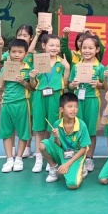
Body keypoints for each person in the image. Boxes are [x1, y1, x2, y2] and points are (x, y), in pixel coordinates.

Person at [29, 34, 70, 173]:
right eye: (51, 45)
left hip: (55, 96)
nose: (54, 48)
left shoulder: (61, 63)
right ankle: (38, 159)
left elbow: (65, 83)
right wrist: (32, 77)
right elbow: (33, 85)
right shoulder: (38, 61)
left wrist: (67, 68)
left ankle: (50, 157)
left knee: (53, 128)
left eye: (57, 46)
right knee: (39, 128)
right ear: (44, 45)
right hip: (40, 95)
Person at [67, 35, 104, 173]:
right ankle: (78, 157)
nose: (87, 51)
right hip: (77, 101)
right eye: (84, 48)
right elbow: (70, 85)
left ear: (97, 49)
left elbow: (105, 85)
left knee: (91, 130)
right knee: (76, 128)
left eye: (90, 48)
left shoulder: (100, 67)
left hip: (92, 100)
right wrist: (74, 84)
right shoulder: (76, 66)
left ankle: (89, 157)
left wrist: (98, 84)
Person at [40, 93, 91, 189]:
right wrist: (56, 137)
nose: (74, 109)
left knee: (73, 185)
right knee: (43, 145)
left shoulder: (82, 125)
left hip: (76, 155)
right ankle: (53, 168)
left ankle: (81, 168)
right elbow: (57, 145)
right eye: (70, 106)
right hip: (62, 153)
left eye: (76, 106)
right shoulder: (57, 124)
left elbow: (84, 149)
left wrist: (67, 164)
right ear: (61, 109)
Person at [0, 39, 33, 172]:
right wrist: (5, 70)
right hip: (6, 103)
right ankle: (9, 159)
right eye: (13, 52)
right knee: (7, 132)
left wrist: (23, 82)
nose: (16, 54)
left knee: (23, 132)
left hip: (22, 102)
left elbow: (32, 88)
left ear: (26, 53)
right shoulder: (5, 67)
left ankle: (18, 159)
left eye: (20, 52)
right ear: (9, 53)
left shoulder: (28, 69)